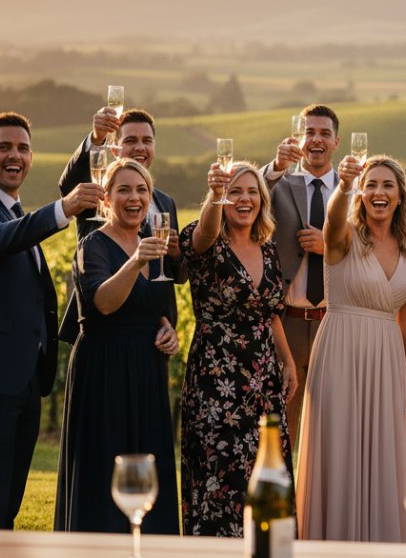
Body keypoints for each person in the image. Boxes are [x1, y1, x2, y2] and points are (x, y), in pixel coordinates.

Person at [0, 112, 102, 528]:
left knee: (6, 506)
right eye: (5, 147)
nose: (16, 156)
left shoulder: (15, 213)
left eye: (23, 148)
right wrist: (63, 209)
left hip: (22, 379)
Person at [296, 155, 406, 542]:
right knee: (340, 449)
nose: (378, 192)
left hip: (387, 360)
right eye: (371, 185)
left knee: (385, 456)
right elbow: (332, 221)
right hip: (341, 351)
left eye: (387, 185)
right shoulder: (344, 235)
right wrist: (344, 184)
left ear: (400, 195)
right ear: (361, 194)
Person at [55, 158, 180, 534]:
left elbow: (158, 305)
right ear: (106, 199)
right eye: (123, 189)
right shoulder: (92, 244)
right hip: (104, 369)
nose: (134, 197)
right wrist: (134, 262)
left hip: (147, 371)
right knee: (103, 464)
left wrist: (168, 330)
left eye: (142, 190)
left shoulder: (153, 245)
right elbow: (102, 303)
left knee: (149, 467)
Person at [178, 161, 296, 536]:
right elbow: (204, 233)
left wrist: (288, 363)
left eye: (251, 192)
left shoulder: (270, 249)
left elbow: (272, 313)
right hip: (217, 376)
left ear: (262, 200)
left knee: (267, 468)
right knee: (220, 473)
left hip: (264, 379)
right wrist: (214, 196)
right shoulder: (204, 239)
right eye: (235, 192)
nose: (243, 199)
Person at [58, 107, 184, 344]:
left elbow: (174, 276)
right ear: (114, 149)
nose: (140, 147)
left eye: (147, 141)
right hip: (104, 328)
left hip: (151, 331)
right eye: (131, 140)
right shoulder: (98, 192)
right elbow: (69, 185)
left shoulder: (166, 202)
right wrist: (96, 138)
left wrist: (176, 256)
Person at [261, 104, 341, 458]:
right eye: (310, 132)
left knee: (332, 438)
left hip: (336, 325)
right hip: (288, 325)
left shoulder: (354, 191)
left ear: (336, 142)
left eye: (324, 133)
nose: (317, 140)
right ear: (299, 139)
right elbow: (245, 197)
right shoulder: (280, 185)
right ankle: (282, 511)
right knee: (281, 436)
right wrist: (276, 167)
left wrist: (331, 248)